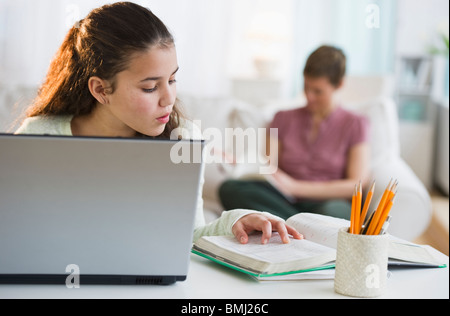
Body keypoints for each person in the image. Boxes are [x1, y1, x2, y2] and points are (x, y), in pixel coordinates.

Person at [14, 2, 302, 245]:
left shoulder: (184, 138)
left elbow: (190, 237)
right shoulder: (39, 135)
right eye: (150, 87)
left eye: (173, 79)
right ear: (101, 90)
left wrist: (235, 220)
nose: (168, 98)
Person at [219, 45, 371, 220]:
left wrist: (295, 187)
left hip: (327, 201)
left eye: (318, 91)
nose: (309, 96)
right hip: (284, 200)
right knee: (230, 188)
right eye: (306, 87)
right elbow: (269, 168)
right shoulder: (282, 118)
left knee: (334, 213)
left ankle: (285, 223)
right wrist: (241, 163)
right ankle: (301, 226)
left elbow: (356, 185)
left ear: (340, 84)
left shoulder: (355, 124)